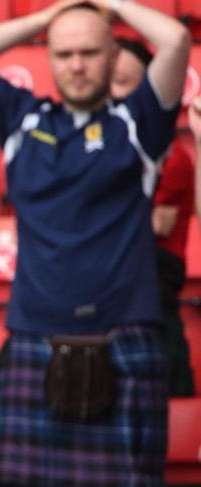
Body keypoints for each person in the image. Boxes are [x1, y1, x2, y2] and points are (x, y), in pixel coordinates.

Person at [0, 0, 190, 487]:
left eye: (90, 52)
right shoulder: (20, 118)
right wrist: (41, 20)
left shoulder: (139, 122)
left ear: (114, 54)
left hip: (126, 337)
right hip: (36, 335)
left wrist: (111, 5)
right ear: (49, 57)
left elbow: (177, 41)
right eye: (64, 53)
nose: (76, 65)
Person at [112, 36, 195, 397]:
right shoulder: (63, 144)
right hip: (73, 315)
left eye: (123, 84)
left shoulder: (171, 159)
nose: (111, 94)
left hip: (147, 309)